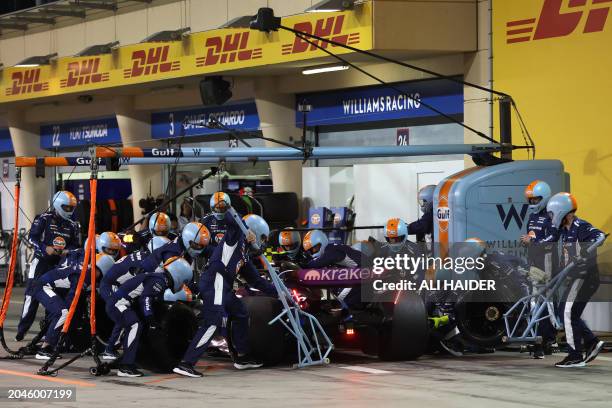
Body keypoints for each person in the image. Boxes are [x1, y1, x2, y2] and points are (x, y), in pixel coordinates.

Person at [173, 212, 277, 378]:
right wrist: (238, 222)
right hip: (215, 282)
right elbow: (229, 218)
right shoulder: (234, 239)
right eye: (262, 237)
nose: (263, 242)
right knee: (212, 322)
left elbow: (257, 281)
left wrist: (280, 293)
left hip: (223, 287)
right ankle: (186, 363)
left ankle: (242, 357)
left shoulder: (243, 254)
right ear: (253, 232)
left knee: (240, 312)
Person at [105, 256, 193, 377]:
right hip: (119, 304)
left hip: (120, 303)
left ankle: (128, 361)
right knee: (135, 325)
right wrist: (150, 319)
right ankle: (125, 367)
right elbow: (146, 298)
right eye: (184, 281)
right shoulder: (159, 281)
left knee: (137, 326)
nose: (183, 285)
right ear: (179, 275)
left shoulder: (159, 279)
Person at [547, 193, 607, 368]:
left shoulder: (581, 226)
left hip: (584, 277)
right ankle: (591, 342)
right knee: (562, 311)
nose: (551, 217)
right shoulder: (564, 230)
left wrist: (588, 249)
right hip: (575, 277)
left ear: (561, 212)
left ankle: (575, 356)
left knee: (566, 312)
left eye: (552, 214)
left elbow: (600, 236)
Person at [16, 191, 80, 341]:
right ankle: (22, 330)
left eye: (72, 208)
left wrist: (65, 252)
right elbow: (32, 238)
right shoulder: (43, 219)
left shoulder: (73, 225)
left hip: (58, 265)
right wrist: (45, 248)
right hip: (40, 263)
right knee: (31, 297)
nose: (70, 211)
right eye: (67, 207)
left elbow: (76, 247)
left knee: (55, 297)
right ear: (57, 204)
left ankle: (48, 330)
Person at [98, 235, 170, 360]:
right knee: (123, 311)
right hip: (111, 285)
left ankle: (116, 346)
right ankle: (110, 349)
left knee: (126, 311)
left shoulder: (145, 257)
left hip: (115, 284)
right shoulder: (146, 263)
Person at [33, 253, 115, 360]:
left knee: (65, 313)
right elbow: (73, 296)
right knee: (63, 312)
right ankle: (45, 349)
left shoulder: (87, 271)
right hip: (43, 287)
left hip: (50, 287)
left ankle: (53, 343)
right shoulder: (86, 275)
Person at [520, 180, 558, 359]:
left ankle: (545, 340)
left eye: (535, 200)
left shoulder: (552, 215)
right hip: (534, 262)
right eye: (530, 200)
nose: (532, 203)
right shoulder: (532, 216)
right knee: (535, 301)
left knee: (545, 301)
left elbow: (552, 239)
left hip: (547, 263)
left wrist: (533, 242)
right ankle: (542, 338)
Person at [302, 230, 362, 308]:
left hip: (364, 272)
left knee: (339, 300)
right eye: (310, 251)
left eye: (315, 248)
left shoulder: (331, 250)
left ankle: (346, 317)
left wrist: (304, 266)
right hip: (360, 272)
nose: (313, 252)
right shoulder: (333, 248)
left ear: (322, 241)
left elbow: (319, 262)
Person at [140, 221, 210, 273]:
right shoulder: (173, 254)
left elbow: (208, 250)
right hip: (149, 277)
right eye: (196, 245)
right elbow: (175, 281)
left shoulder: (183, 243)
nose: (199, 247)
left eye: (201, 245)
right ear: (187, 238)